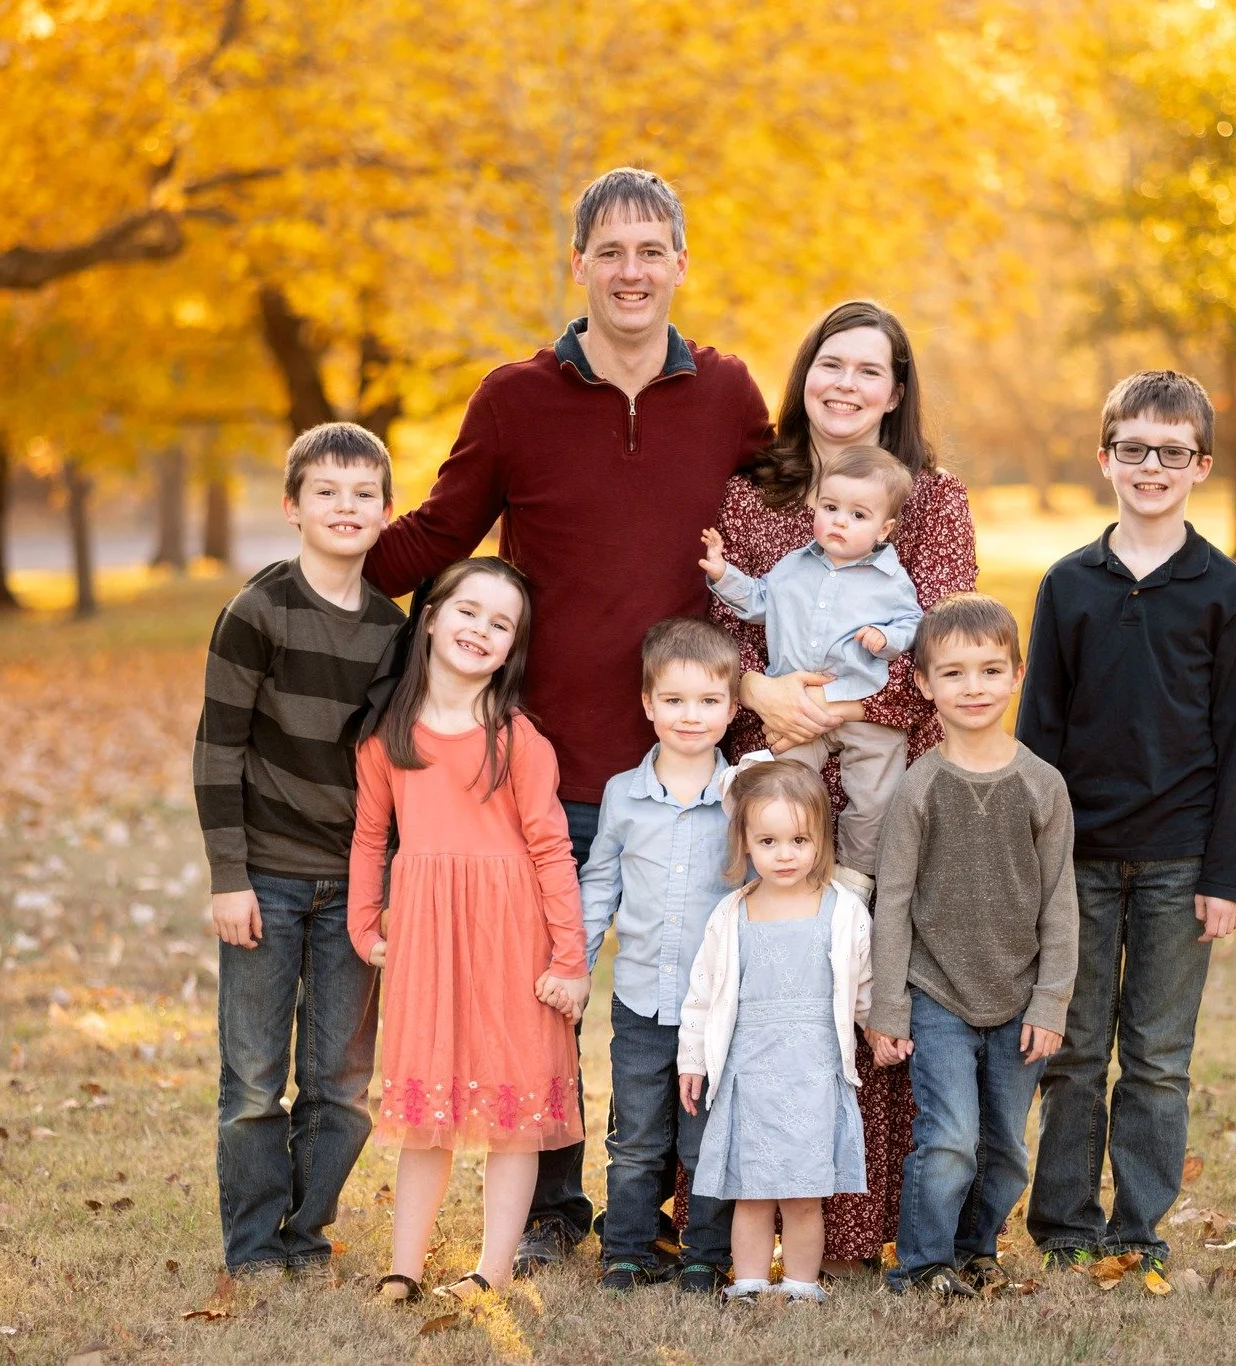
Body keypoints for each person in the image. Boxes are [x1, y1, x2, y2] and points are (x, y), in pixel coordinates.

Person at [364, 167, 772, 1272]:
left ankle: (687, 1202)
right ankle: (550, 1211)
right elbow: (437, 535)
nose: (630, 271)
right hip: (534, 765)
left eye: (651, 251)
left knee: (685, 997)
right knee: (536, 1003)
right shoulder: (514, 397)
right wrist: (331, 550)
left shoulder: (731, 397)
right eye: (610, 251)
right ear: (578, 265)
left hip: (684, 765)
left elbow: (787, 534)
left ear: (680, 265)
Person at [704, 299, 974, 1270]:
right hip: (770, 778)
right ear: (803, 374)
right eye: (831, 363)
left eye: (869, 370)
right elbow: (717, 625)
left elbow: (945, 636)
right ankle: (736, 1224)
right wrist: (760, 693)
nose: (846, 384)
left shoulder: (930, 499)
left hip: (883, 769)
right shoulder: (751, 496)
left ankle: (865, 1225)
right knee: (770, 993)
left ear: (895, 391)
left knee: (862, 981)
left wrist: (837, 712)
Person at [1016, 370, 1236, 1290]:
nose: (1150, 466)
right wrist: (1028, 865)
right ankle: (1063, 1217)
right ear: (1105, 459)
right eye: (1133, 449)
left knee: (1158, 1056)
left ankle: (1138, 1223)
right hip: (1076, 858)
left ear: (1199, 465)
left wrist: (1225, 876)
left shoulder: (1227, 593)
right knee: (1073, 1046)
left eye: (1171, 452)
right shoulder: (1068, 586)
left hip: (1180, 859)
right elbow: (1036, 739)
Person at [194, 422, 409, 1281]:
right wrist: (228, 877)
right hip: (268, 882)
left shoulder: (396, 631)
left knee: (341, 1082)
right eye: (327, 492)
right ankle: (252, 1249)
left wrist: (392, 881)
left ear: (387, 512)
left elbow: (398, 769)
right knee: (252, 1080)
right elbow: (217, 750)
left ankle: (305, 1233)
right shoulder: (258, 612)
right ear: (293, 507)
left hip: (356, 887)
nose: (346, 507)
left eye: (364, 494)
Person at [346, 558, 592, 1301]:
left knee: (514, 1106)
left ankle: (492, 1267)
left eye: (500, 623)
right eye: (468, 611)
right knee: (427, 1107)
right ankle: (404, 1266)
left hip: (511, 938)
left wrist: (570, 957)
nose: (480, 630)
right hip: (428, 933)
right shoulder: (387, 737)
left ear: (513, 647)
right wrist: (365, 925)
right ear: (430, 616)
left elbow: (552, 848)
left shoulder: (519, 741)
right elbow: (369, 837)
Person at [865, 594, 1079, 1297]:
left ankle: (975, 1247)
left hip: (1020, 998)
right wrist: (888, 1009)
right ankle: (923, 1263)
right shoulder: (918, 789)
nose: (974, 688)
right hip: (937, 995)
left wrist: (1051, 1000)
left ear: (1017, 674)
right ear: (924, 684)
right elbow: (892, 902)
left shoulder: (1043, 786)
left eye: (990, 671)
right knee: (950, 1136)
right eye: (953, 674)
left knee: (1009, 1152)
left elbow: (1060, 903)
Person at [580, 619, 742, 1296]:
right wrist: (574, 964)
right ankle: (627, 1249)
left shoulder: (742, 798)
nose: (690, 716)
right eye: (673, 700)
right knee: (638, 1136)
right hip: (642, 1000)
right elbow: (601, 884)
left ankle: (706, 1254)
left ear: (733, 709)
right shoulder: (624, 794)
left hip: (719, 1012)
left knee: (707, 1140)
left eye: (708, 701)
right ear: (647, 703)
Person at [677, 761, 873, 1305]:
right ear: (744, 842)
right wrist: (692, 1059)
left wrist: (880, 1029)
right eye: (768, 840)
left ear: (821, 840)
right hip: (751, 1074)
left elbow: (864, 985)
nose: (784, 853)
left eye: (798, 839)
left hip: (813, 1073)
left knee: (805, 1195)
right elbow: (703, 995)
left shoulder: (843, 911)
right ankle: (748, 1283)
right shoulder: (732, 915)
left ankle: (803, 1286)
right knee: (753, 1193)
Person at [698, 444, 923, 896]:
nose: (840, 521)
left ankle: (856, 874)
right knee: (786, 789)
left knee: (877, 793)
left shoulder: (891, 579)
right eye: (831, 507)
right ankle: (797, 871)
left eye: (858, 515)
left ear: (885, 529)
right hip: (795, 707)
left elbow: (913, 622)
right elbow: (762, 601)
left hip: (859, 699)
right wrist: (725, 575)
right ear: (814, 506)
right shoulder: (793, 567)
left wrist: (889, 638)